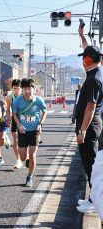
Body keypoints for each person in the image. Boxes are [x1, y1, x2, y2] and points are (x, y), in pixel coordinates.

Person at [75, 45, 103, 213]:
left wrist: (83, 130)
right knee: (92, 163)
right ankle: (93, 198)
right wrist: (82, 35)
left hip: (90, 127)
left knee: (91, 164)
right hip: (94, 124)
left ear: (88, 59)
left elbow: (90, 107)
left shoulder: (94, 79)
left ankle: (96, 201)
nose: (82, 61)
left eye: (83, 58)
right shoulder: (97, 74)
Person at [13, 78, 47, 187]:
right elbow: (14, 114)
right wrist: (19, 125)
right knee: (22, 157)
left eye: (29, 88)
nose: (28, 91)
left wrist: (40, 124)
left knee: (33, 155)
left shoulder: (39, 100)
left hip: (35, 131)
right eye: (25, 89)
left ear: (33, 89)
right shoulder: (17, 100)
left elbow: (45, 111)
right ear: (22, 90)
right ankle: (26, 158)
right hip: (23, 131)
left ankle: (29, 177)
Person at [6, 79, 23, 169]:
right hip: (15, 120)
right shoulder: (10, 97)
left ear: (21, 88)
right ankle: (18, 160)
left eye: (17, 88)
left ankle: (26, 154)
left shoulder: (25, 96)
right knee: (15, 140)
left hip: (25, 120)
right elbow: (8, 109)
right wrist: (8, 119)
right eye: (14, 88)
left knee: (24, 140)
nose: (16, 90)